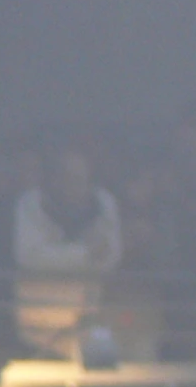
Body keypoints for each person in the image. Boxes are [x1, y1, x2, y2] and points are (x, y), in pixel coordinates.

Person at [12, 146, 123, 357]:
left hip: (90, 319)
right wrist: (84, 254)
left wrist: (60, 255)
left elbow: (110, 257)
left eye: (81, 179)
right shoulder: (31, 203)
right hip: (39, 322)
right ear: (53, 178)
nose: (74, 186)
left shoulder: (103, 204)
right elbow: (29, 257)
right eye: (67, 178)